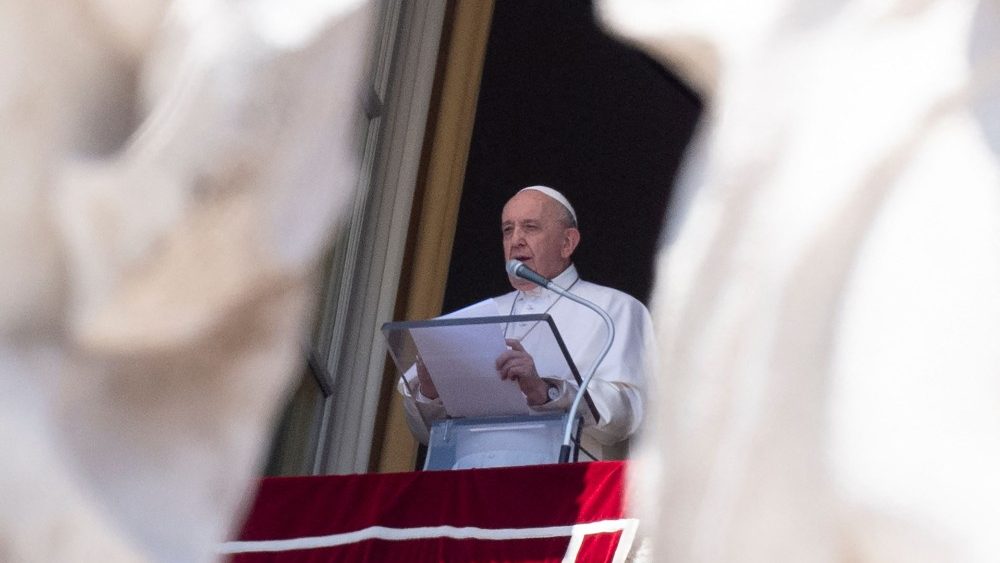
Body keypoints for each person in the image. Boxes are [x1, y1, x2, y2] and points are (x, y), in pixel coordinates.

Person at [399, 185, 654, 462]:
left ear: (567, 243)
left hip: (563, 484)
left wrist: (546, 392)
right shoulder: (474, 317)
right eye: (508, 230)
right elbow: (423, 433)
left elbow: (630, 415)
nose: (516, 240)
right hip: (472, 479)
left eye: (530, 227)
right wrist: (429, 390)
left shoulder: (613, 309)